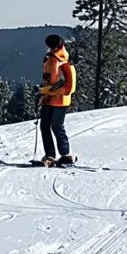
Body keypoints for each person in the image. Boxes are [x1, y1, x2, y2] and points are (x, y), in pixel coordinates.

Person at [37, 33, 77, 166]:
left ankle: (66, 154)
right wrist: (43, 93)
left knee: (56, 126)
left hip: (60, 100)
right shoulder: (53, 58)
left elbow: (69, 88)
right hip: (50, 98)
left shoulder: (64, 60)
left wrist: (48, 91)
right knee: (45, 126)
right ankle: (50, 155)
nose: (52, 49)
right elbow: (49, 80)